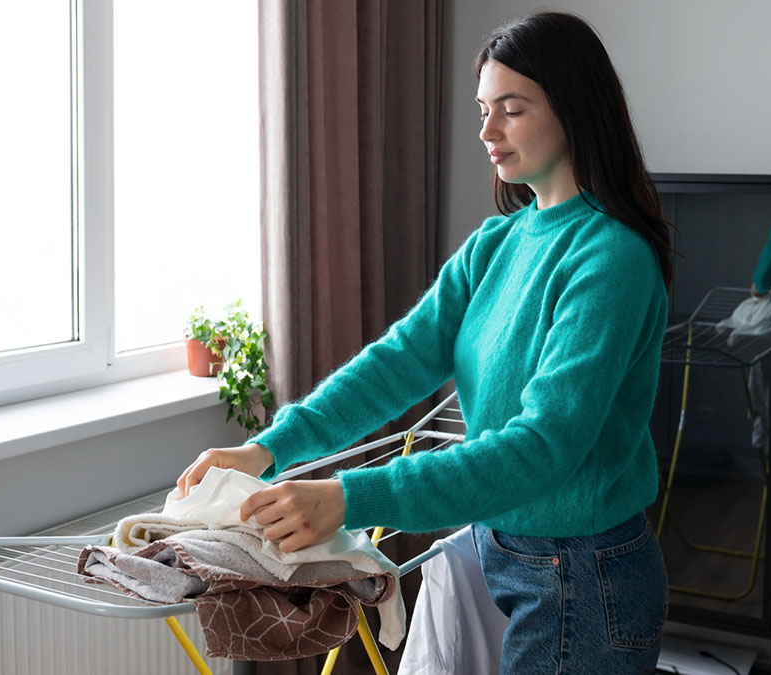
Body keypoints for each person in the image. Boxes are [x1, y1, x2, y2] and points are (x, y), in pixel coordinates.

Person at [177, 10, 675, 674]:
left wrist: (347, 498)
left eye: (511, 109)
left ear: (575, 108)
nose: (488, 131)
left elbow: (543, 446)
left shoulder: (612, 258)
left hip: (584, 579)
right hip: (509, 552)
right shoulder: (496, 243)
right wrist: (268, 448)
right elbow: (395, 364)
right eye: (483, 111)